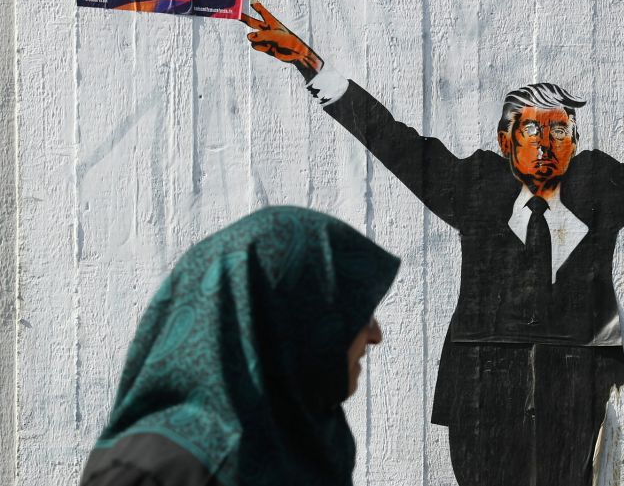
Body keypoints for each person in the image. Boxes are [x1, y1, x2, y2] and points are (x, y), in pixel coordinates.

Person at [240, 0, 624, 485]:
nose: (548, 142)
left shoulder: (602, 188)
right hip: (481, 391)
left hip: (574, 392)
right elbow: (391, 139)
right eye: (533, 129)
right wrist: (310, 65)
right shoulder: (473, 189)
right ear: (507, 141)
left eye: (561, 130)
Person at [79, 206, 400, 485]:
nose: (376, 335)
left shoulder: (310, 440)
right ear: (292, 318)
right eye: (359, 313)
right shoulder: (157, 471)